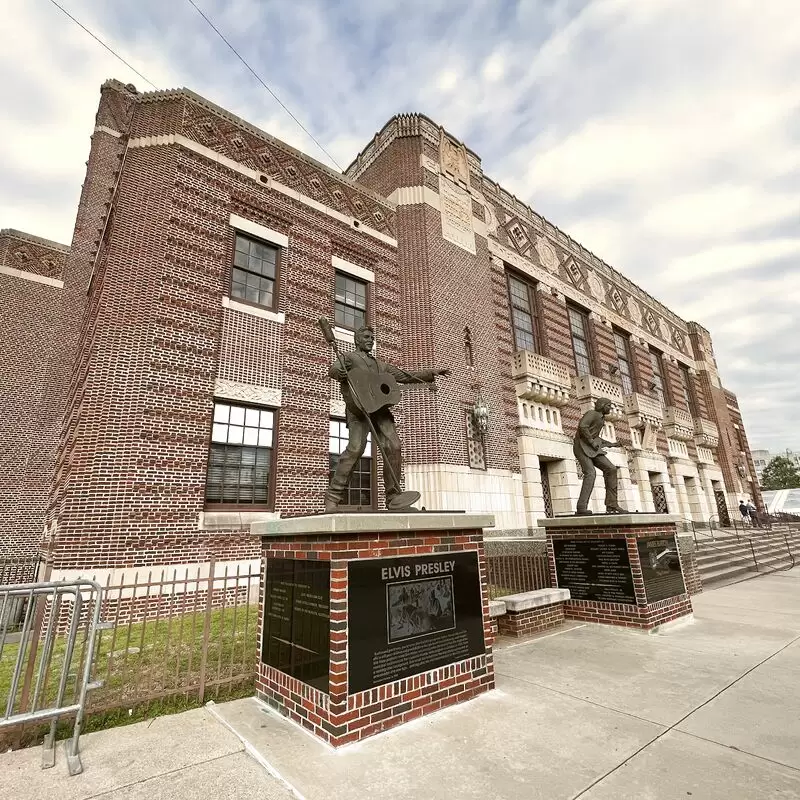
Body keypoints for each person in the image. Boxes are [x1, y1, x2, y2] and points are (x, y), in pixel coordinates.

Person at [325, 325, 450, 512]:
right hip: (358, 411)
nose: (370, 340)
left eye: (372, 337)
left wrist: (429, 373)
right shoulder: (350, 358)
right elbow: (334, 368)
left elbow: (405, 376)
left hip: (381, 412)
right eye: (366, 337)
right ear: (357, 340)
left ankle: (393, 498)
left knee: (394, 446)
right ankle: (333, 497)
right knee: (355, 449)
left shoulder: (380, 365)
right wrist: (339, 372)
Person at [573, 398, 628, 515]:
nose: (610, 408)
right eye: (608, 405)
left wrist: (612, 444)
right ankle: (581, 507)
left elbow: (596, 438)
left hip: (593, 449)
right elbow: (583, 426)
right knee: (590, 473)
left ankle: (611, 504)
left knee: (611, 469)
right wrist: (591, 442)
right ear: (602, 406)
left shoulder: (601, 419)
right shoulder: (592, 414)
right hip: (581, 447)